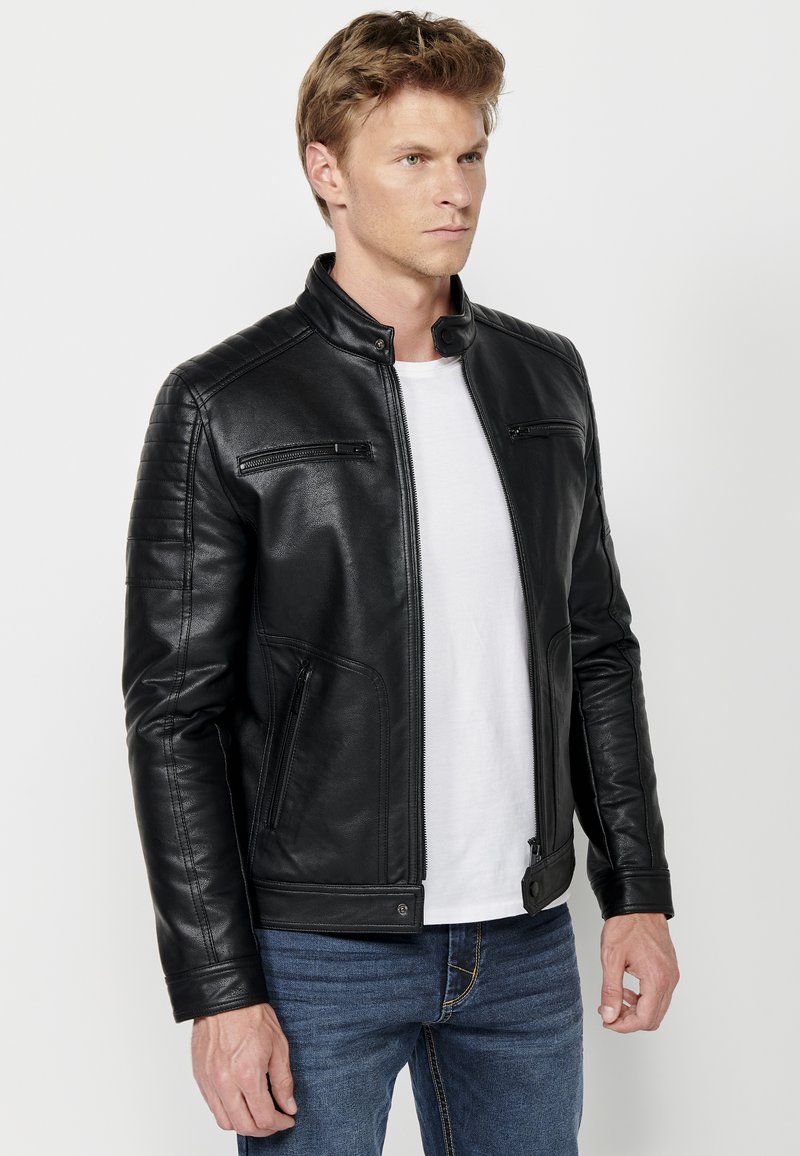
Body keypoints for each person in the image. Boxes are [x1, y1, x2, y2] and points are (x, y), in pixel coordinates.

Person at [122, 9, 679, 1153]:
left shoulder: (543, 379)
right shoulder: (226, 403)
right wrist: (220, 988)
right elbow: (173, 714)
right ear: (326, 172)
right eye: (413, 158)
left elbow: (595, 649)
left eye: (468, 155)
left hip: (521, 943)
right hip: (316, 953)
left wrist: (635, 890)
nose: (453, 190)